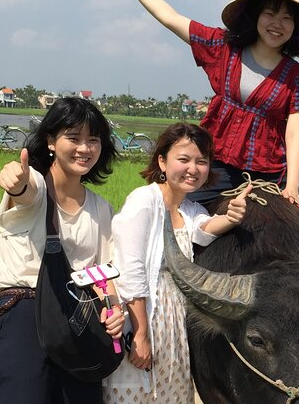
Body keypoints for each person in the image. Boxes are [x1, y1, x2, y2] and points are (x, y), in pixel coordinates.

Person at [108, 0, 299, 213]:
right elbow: (170, 17)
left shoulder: (298, 77)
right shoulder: (223, 48)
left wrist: (291, 187)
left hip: (275, 169)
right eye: (270, 13)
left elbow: (293, 132)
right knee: (170, 209)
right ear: (256, 16)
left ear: (295, 28)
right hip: (220, 163)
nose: (277, 23)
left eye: (287, 18)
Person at [0, 97, 125, 404]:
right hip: (25, 314)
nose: (84, 148)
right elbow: (24, 190)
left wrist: (115, 311)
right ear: (50, 140)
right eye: (73, 138)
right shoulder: (36, 185)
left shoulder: (101, 209)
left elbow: (107, 270)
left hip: (79, 321)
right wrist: (16, 180)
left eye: (93, 140)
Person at [104, 123, 251, 403]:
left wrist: (231, 217)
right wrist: (141, 335)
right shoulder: (144, 201)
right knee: (138, 391)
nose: (192, 169)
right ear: (162, 160)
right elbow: (130, 272)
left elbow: (202, 229)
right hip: (143, 315)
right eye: (183, 159)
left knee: (170, 393)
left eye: (201, 161)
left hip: (173, 323)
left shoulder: (189, 207)